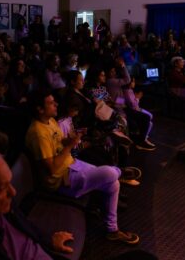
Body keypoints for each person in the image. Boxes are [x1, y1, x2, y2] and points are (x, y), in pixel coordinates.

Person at [25, 90, 139, 245]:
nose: (56, 104)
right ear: (40, 109)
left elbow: (60, 142)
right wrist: (70, 146)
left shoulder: (50, 121)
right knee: (109, 173)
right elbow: (52, 168)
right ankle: (120, 172)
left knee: (114, 184)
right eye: (51, 103)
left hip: (72, 164)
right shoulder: (38, 133)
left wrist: (71, 139)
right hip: (61, 180)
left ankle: (112, 230)